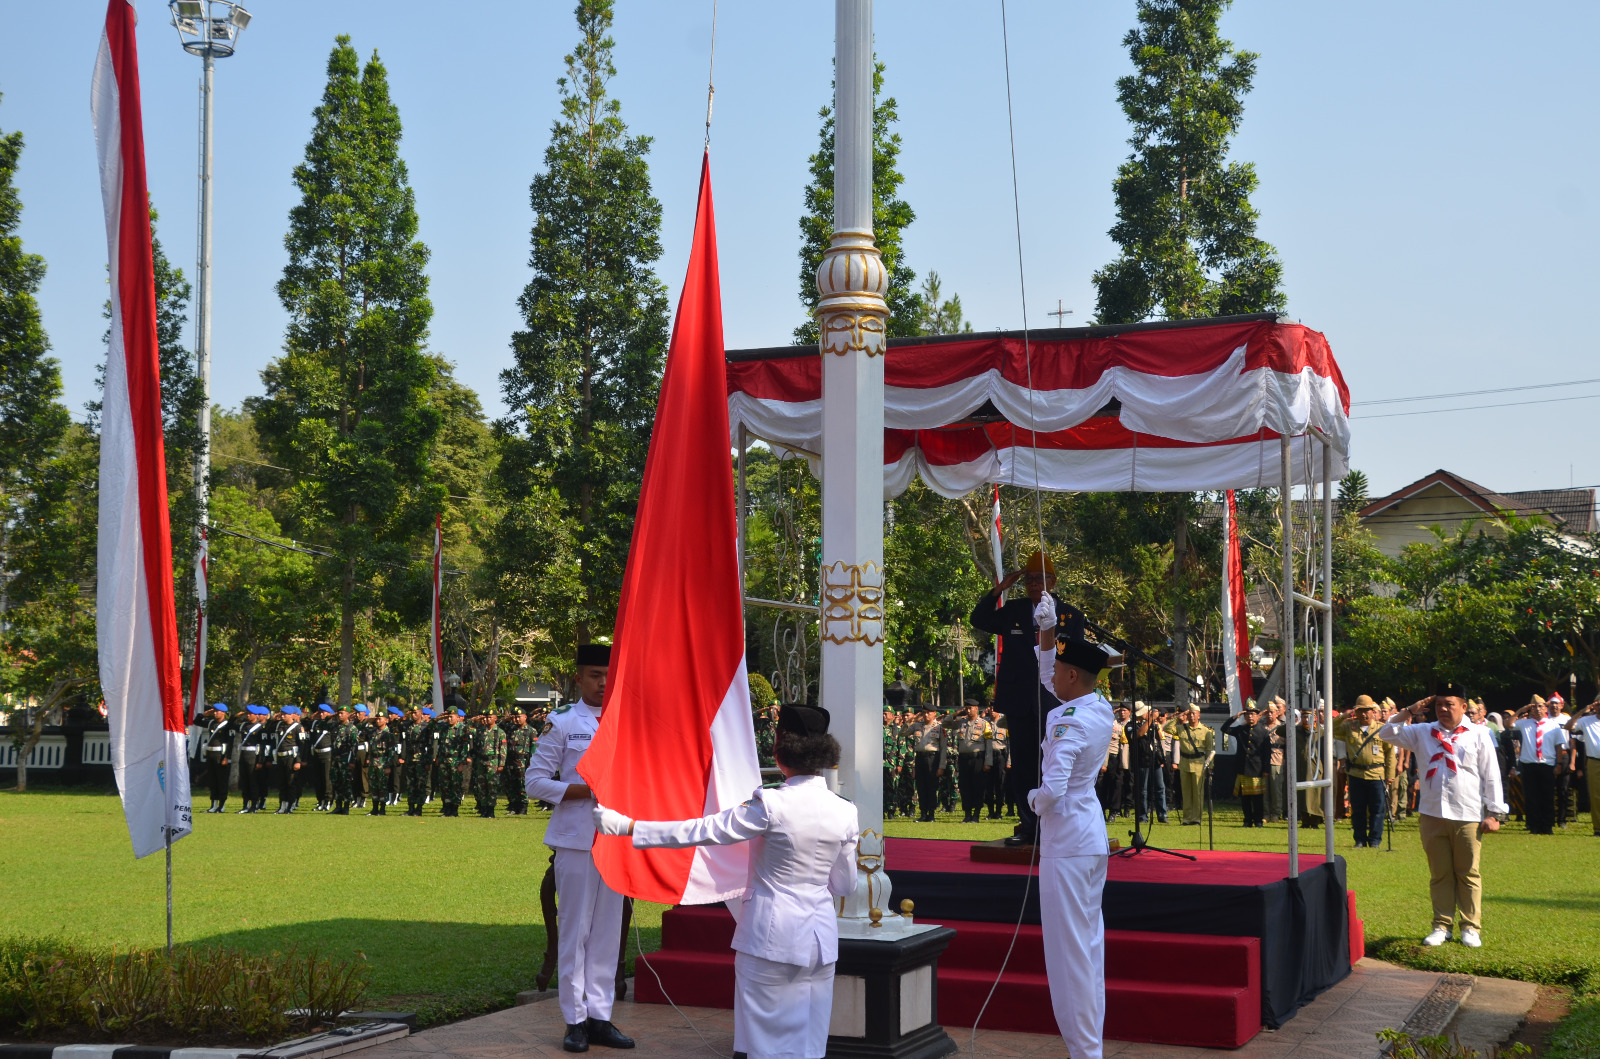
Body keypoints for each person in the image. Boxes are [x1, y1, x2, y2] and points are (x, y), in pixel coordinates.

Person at [596, 703, 858, 1059]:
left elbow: (703, 830)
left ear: (781, 750)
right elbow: (844, 886)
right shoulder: (845, 809)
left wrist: (630, 827)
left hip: (771, 936)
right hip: (820, 940)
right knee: (810, 1041)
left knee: (766, 1044)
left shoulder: (771, 804)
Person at [524, 644, 633, 1053]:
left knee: (607, 933)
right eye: (594, 675)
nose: (602, 683)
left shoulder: (627, 722)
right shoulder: (564, 722)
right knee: (575, 931)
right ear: (578, 678)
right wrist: (587, 790)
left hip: (616, 839)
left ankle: (601, 1016)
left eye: (608, 675)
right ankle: (575, 1020)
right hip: (575, 839)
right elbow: (535, 782)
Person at [1030, 599, 1117, 1059]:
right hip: (1089, 837)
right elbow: (1051, 676)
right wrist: (1046, 632)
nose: (1052, 675)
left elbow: (1053, 789)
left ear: (1071, 676)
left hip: (1066, 841)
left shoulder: (1068, 719)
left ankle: (1085, 1051)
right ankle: (1089, 1047)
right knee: (1087, 948)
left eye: (1060, 668)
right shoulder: (1098, 706)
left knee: (1069, 958)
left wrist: (1033, 801)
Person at [969, 549, 1086, 846]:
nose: (1033, 584)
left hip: (1055, 699)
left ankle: (1056, 826)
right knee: (1023, 765)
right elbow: (978, 618)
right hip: (1019, 698)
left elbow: (1077, 660)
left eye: (1040, 579)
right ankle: (1029, 826)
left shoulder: (1071, 616)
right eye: (1029, 579)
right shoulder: (1014, 610)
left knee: (1054, 762)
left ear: (1053, 582)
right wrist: (1000, 588)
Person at [1378, 685, 1506, 947]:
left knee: (1468, 873)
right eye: (1439, 705)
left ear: (1463, 706)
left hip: (1467, 813)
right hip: (1432, 813)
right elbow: (1386, 732)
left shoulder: (1478, 733)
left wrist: (1494, 813)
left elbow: (1491, 774)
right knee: (1440, 874)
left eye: (1450, 704)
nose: (1444, 709)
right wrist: (1410, 710)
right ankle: (1441, 926)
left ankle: (1470, 927)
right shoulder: (1423, 731)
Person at [1344, 698, 1395, 848]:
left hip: (1376, 774)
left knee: (1377, 809)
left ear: (1373, 712)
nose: (1364, 714)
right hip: (1356, 774)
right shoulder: (1349, 727)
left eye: (1367, 710)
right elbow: (1331, 728)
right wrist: (1344, 716)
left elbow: (1390, 753)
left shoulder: (1382, 729)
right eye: (1360, 710)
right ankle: (1360, 840)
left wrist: (1390, 775)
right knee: (1358, 809)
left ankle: (1374, 840)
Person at [1514, 696, 1569, 835]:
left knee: (1547, 796)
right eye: (1534, 707)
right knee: (1531, 797)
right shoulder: (1524, 723)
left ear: (1545, 708)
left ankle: (1547, 825)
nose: (1537, 709)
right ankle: (1533, 825)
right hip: (1529, 765)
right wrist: (1522, 710)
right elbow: (1508, 723)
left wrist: (1558, 764)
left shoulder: (1553, 725)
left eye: (1540, 706)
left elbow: (1559, 746)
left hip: (1547, 764)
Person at [1165, 707, 1215, 826]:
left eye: (1194, 714)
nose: (1191, 716)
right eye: (1190, 714)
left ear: (1199, 715)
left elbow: (1209, 750)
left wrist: (1210, 766)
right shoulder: (1181, 728)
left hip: (1199, 763)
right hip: (1185, 762)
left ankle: (1196, 819)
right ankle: (1187, 819)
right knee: (1186, 792)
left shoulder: (1205, 730)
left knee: (1198, 793)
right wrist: (1178, 717)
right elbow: (1167, 728)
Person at [1221, 704, 1270, 826]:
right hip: (1243, 768)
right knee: (1245, 798)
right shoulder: (1240, 729)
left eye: (1252, 714)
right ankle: (1247, 820)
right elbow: (1224, 729)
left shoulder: (1264, 732)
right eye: (1247, 714)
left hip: (1257, 769)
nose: (1250, 717)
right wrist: (1235, 717)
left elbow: (1267, 752)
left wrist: (1266, 769)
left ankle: (1258, 820)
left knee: (1258, 798)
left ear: (1257, 716)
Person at [1127, 703, 1167, 825]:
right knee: (1143, 790)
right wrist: (1150, 720)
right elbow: (1139, 734)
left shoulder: (1151, 724)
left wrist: (1155, 724)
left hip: (1154, 759)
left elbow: (1159, 738)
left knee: (1160, 787)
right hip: (1141, 760)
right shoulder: (1130, 725)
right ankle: (1142, 816)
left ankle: (1162, 814)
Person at [954, 699, 993, 822]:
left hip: (978, 758)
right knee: (965, 787)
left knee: (978, 786)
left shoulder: (984, 724)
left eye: (970, 708)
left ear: (976, 709)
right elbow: (946, 723)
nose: (968, 710)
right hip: (964, 758)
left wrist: (988, 762)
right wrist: (956, 713)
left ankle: (976, 814)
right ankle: (967, 814)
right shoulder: (961, 722)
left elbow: (989, 744)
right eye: (966, 708)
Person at [1566, 702, 1600, 836]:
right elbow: (1569, 726)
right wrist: (1582, 711)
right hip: (1594, 761)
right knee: (1595, 796)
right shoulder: (1586, 720)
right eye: (1598, 704)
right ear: (1594, 706)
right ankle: (1598, 828)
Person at [910, 708, 948, 822]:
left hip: (933, 758)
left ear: (934, 714)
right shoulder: (917, 725)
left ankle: (931, 814)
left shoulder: (940, 727)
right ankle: (923, 813)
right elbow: (903, 732)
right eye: (924, 712)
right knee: (921, 787)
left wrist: (942, 766)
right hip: (920, 757)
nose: (926, 715)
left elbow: (944, 748)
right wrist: (910, 721)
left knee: (931, 787)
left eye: (928, 713)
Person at [199, 703, 235, 814]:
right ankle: (213, 805)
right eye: (214, 711)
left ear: (223, 713)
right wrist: (203, 715)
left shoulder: (227, 725)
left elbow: (230, 743)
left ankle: (221, 806)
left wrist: (226, 757)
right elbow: (196, 722)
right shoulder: (211, 723)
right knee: (213, 781)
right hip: (211, 754)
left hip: (221, 755)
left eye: (217, 711)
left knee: (221, 781)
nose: (215, 713)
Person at [472, 707, 508, 817]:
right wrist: (473, 721)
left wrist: (501, 764)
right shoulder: (481, 731)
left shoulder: (500, 732)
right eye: (486, 717)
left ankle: (491, 810)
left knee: (492, 786)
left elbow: (503, 749)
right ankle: (483, 809)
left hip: (493, 762)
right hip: (481, 761)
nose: (488, 719)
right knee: (481, 787)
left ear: (495, 718)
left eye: (490, 717)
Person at [273, 705, 308, 813]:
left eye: (285, 714)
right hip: (280, 757)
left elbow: (302, 745)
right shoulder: (279, 725)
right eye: (282, 714)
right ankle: (282, 805)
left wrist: (298, 761)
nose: (282, 716)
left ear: (291, 715)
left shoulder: (298, 727)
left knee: (290, 782)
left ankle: (290, 805)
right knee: (282, 782)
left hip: (291, 758)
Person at [236, 705, 269, 813]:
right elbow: (231, 725)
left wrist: (260, 761)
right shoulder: (244, 725)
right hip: (243, 754)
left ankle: (254, 805)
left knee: (253, 781)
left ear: (256, 715)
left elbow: (262, 746)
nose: (248, 715)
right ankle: (245, 805)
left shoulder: (260, 728)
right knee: (244, 781)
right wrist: (236, 716)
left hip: (253, 756)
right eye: (247, 713)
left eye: (250, 714)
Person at [504, 707, 535, 815]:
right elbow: (498, 728)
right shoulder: (510, 728)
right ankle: (514, 806)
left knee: (522, 785)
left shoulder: (531, 730)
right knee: (511, 785)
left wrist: (531, 763)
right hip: (511, 760)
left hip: (523, 761)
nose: (517, 719)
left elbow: (534, 748)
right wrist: (506, 720)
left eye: (519, 717)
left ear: (525, 717)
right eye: (515, 717)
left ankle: (523, 807)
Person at [366, 710, 397, 816]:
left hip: (383, 762)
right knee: (373, 786)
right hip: (373, 761)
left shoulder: (389, 734)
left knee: (382, 786)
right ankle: (374, 809)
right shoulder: (373, 733)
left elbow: (391, 752)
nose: (378, 721)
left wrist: (388, 766)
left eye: (380, 719)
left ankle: (382, 809)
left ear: (386, 720)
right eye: (377, 719)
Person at [307, 704, 336, 811]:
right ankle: (320, 801)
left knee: (326, 778)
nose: (321, 714)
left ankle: (328, 800)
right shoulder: (315, 723)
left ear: (329, 713)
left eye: (323, 712)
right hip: (316, 753)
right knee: (317, 779)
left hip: (327, 753)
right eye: (320, 712)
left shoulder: (332, 724)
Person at [984, 706, 1010, 820]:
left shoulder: (1005, 723)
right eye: (990, 709)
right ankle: (990, 812)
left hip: (1001, 756)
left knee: (1000, 784)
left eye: (994, 709)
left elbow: (1009, 743)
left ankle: (998, 812)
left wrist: (1009, 760)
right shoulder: (985, 724)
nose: (992, 711)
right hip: (988, 757)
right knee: (989, 785)